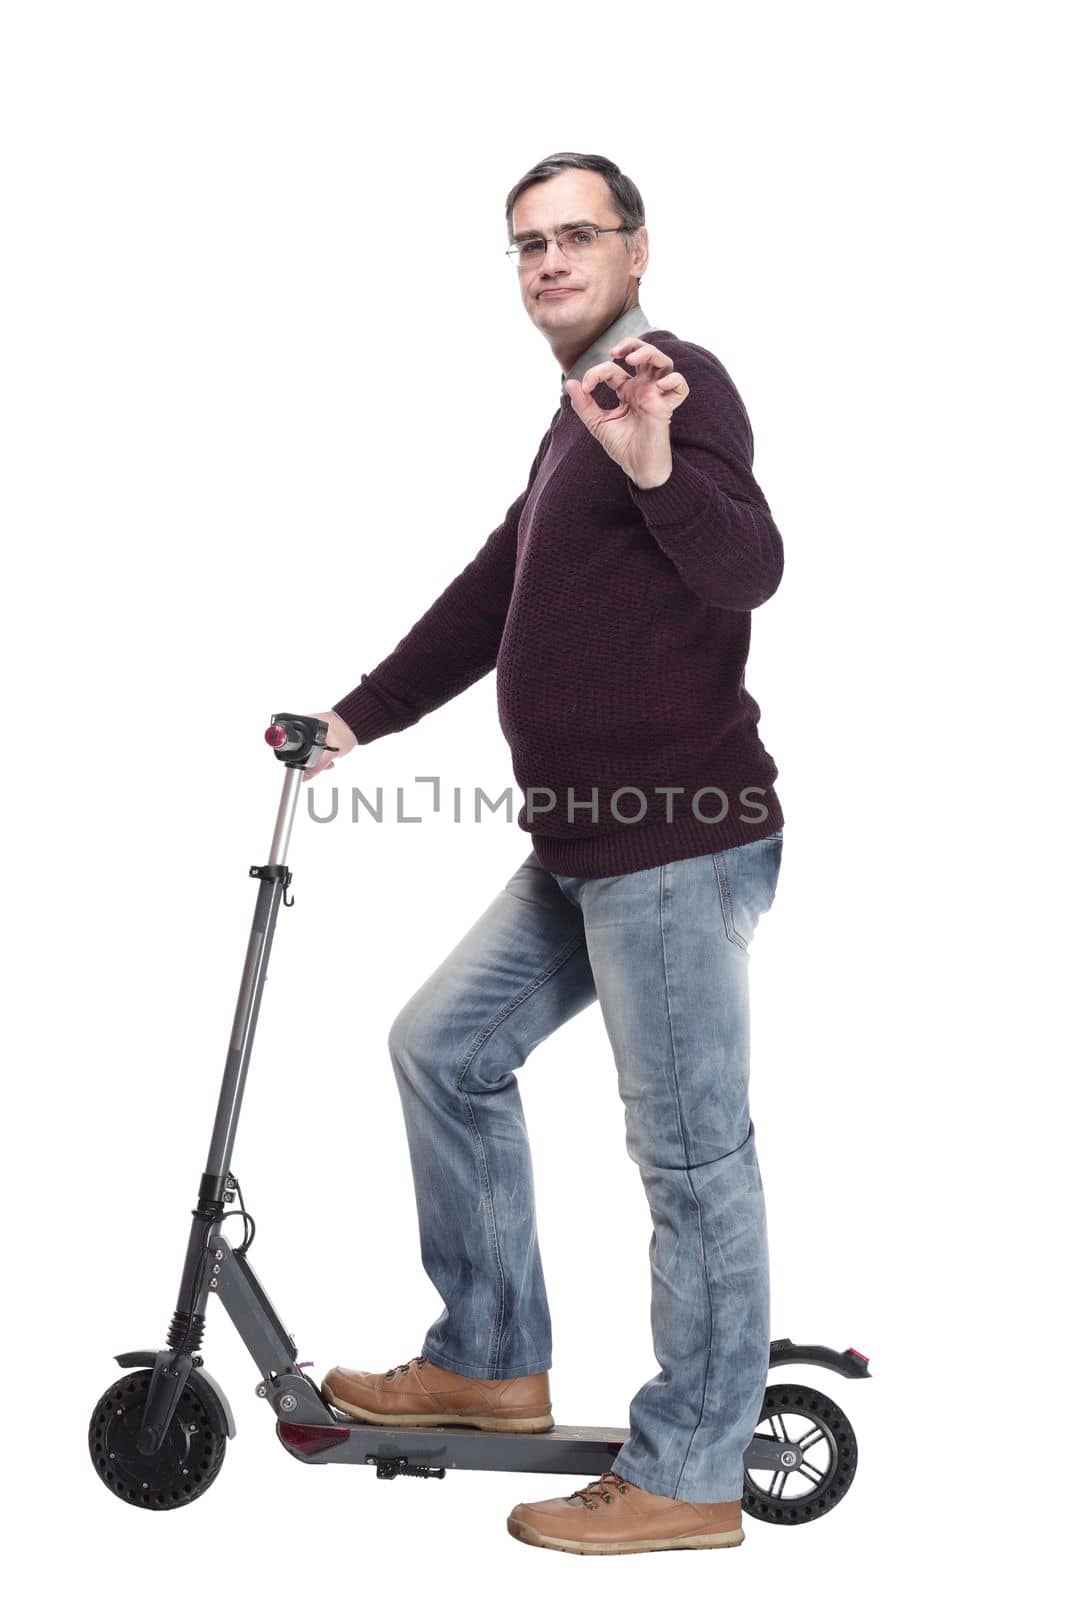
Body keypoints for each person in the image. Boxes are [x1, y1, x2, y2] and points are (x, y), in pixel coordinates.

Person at [308, 151, 785, 1556]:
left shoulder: (670, 385)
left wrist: (658, 467)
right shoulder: (576, 416)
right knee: (440, 1047)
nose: (550, 262)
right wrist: (355, 717)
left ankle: (694, 1471)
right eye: (527, 244)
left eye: (578, 236)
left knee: (692, 1158)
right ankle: (492, 1359)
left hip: (677, 847)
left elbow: (747, 567)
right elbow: (492, 593)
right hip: (586, 850)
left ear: (638, 251)